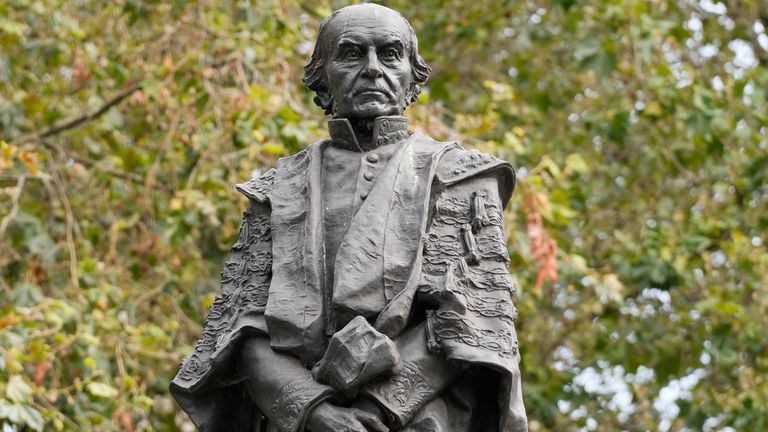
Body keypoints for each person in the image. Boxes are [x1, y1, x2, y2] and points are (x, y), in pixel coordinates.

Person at [170, 4, 527, 431]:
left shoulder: (461, 176)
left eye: (390, 54)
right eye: (352, 54)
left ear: (412, 79)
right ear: (323, 77)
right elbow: (239, 331)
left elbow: (472, 319)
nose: (373, 69)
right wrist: (313, 411)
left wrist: (377, 408)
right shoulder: (275, 189)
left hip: (419, 417)